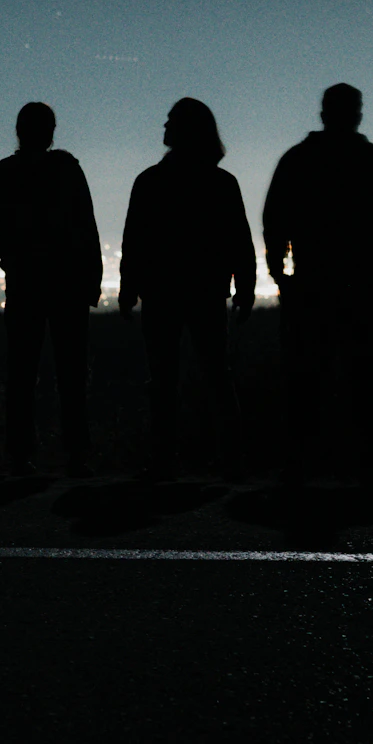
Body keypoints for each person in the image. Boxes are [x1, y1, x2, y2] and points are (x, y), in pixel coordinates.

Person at [261, 83, 373, 483]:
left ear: (322, 112)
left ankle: (304, 461)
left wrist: (281, 274)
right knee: (364, 376)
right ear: (357, 114)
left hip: (312, 284)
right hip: (361, 284)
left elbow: (275, 220)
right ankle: (365, 463)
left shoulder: (298, 160)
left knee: (307, 375)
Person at [118, 99, 256, 480]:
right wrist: (245, 286)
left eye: (170, 121)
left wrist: (129, 287)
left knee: (165, 378)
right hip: (205, 290)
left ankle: (165, 459)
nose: (163, 126)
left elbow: (136, 240)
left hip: (164, 292)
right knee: (214, 375)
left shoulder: (151, 181)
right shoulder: (220, 182)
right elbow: (238, 242)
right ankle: (229, 459)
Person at [0, 102, 102, 478]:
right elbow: (86, 224)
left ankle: (20, 453)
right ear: (51, 130)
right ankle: (76, 453)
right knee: (71, 371)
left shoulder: (6, 172)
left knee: (22, 371)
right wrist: (92, 278)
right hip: (67, 282)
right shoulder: (67, 169)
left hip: (25, 282)